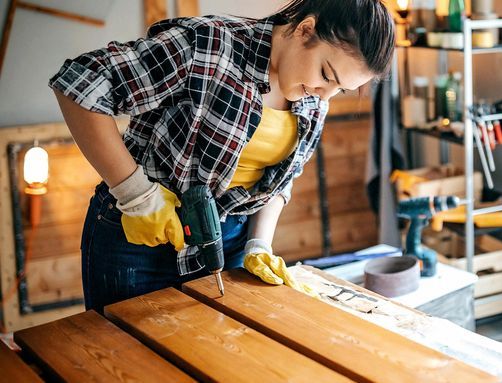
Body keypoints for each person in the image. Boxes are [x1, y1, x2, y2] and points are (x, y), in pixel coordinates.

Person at [49, 0, 395, 312]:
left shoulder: (315, 100)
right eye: (325, 75)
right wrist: (136, 194)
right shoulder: (209, 45)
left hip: (228, 241)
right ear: (305, 29)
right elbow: (81, 84)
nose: (325, 95)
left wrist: (259, 245)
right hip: (138, 237)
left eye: (340, 89)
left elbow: (278, 184)